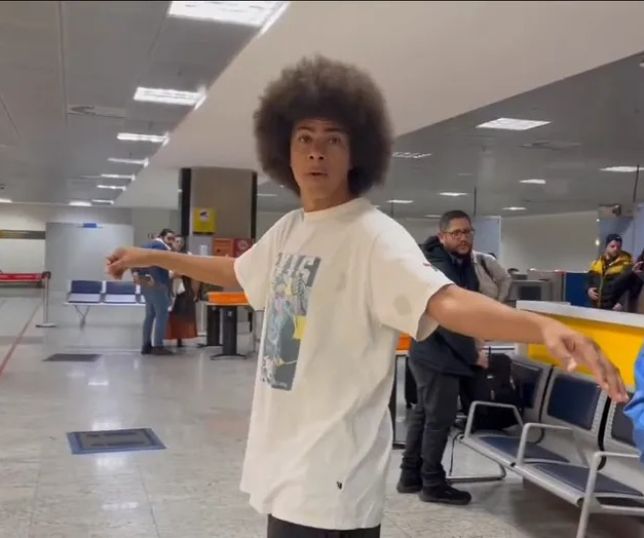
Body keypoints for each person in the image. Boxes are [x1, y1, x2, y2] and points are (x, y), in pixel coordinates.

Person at [107, 56, 626, 537]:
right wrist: (155, 256)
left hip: (333, 475)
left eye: (332, 139)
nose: (316, 151)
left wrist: (541, 326)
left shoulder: (373, 236)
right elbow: (240, 271)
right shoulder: (291, 228)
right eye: (304, 138)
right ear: (284, 151)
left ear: (356, 153)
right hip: (284, 460)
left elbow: (444, 301)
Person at [397, 210, 486, 505]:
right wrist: (473, 354)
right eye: (456, 233)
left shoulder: (460, 262)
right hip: (437, 354)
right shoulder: (439, 267)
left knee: (424, 414)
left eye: (467, 232)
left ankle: (410, 475)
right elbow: (449, 319)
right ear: (442, 236)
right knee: (439, 420)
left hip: (433, 352)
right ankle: (432, 483)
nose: (463, 238)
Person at [133, 228, 175, 356]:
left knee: (150, 315)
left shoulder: (145, 245)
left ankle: (146, 345)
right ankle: (158, 346)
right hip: (157, 284)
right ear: (161, 237)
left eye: (173, 239)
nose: (171, 241)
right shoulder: (160, 246)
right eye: (169, 238)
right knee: (162, 315)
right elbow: (155, 264)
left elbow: (136, 260)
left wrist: (137, 273)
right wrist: (156, 278)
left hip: (146, 284)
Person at [166, 236, 200, 347]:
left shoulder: (188, 255)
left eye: (181, 241)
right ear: (172, 242)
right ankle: (168, 336)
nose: (179, 243)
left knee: (182, 314)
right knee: (170, 314)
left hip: (184, 287)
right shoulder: (167, 254)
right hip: (170, 286)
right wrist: (172, 274)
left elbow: (194, 270)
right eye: (177, 241)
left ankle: (180, 338)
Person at [587, 233, 633, 310]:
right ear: (606, 246)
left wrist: (621, 302)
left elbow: (629, 287)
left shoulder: (626, 265)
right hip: (595, 307)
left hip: (614, 308)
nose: (615, 249)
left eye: (619, 247)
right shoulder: (596, 264)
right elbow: (589, 280)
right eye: (612, 246)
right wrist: (589, 289)